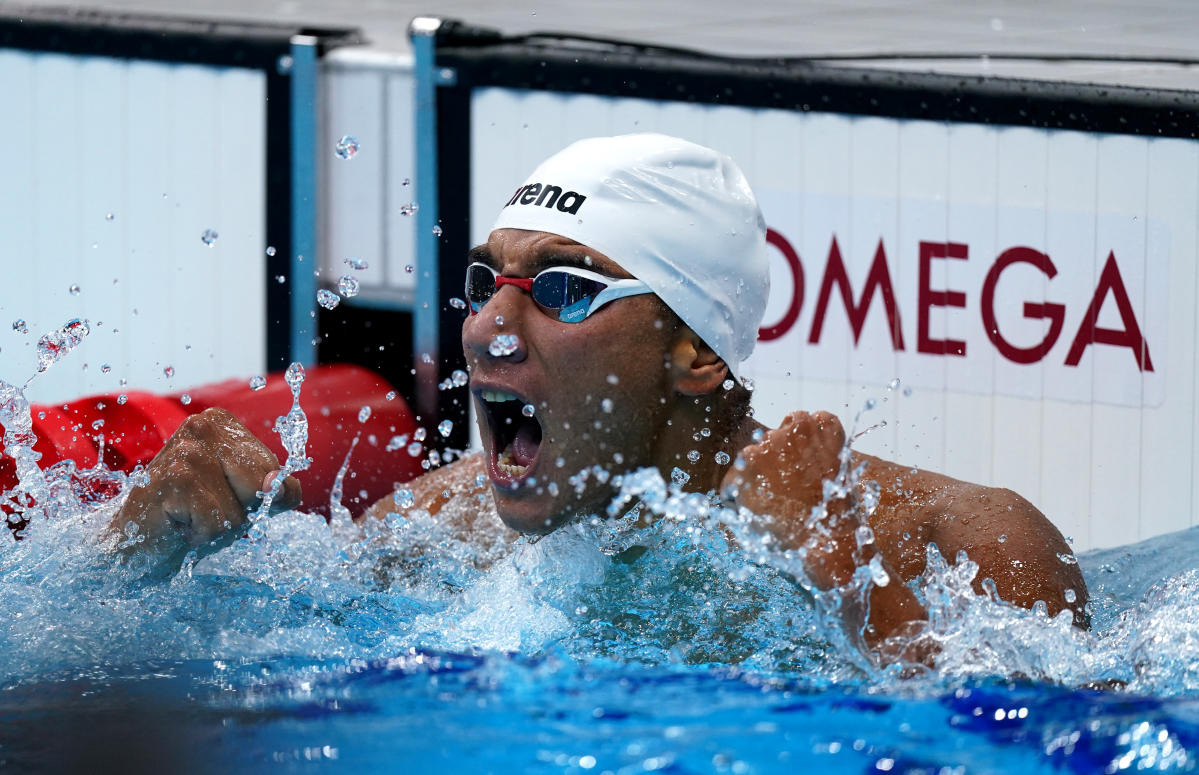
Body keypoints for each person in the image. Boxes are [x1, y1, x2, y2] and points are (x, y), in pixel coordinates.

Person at [113, 134, 1087, 658]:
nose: (488, 327)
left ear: (697, 355)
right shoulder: (443, 520)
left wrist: (830, 580)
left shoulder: (975, 544)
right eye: (481, 282)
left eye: (566, 290)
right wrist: (148, 549)